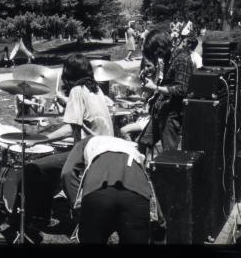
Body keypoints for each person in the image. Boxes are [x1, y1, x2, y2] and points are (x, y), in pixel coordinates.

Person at [13, 54, 114, 234]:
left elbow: (69, 128)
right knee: (49, 166)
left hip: (90, 151)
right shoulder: (95, 89)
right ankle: (44, 216)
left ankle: (38, 218)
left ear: (68, 72)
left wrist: (40, 139)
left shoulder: (76, 90)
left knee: (33, 168)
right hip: (105, 146)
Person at [60, 135, 151, 244]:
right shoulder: (130, 146)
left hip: (98, 191)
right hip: (137, 193)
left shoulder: (86, 141)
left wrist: (77, 205)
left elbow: (67, 173)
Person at [138, 29, 193, 155]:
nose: (156, 56)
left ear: (161, 45)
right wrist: (149, 77)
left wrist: (155, 88)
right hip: (161, 110)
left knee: (169, 155)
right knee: (143, 142)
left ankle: (168, 175)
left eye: (156, 52)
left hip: (172, 114)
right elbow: (167, 83)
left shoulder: (182, 59)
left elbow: (182, 89)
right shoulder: (168, 58)